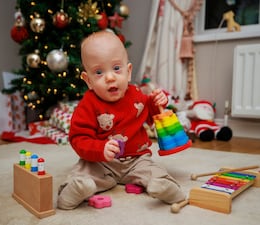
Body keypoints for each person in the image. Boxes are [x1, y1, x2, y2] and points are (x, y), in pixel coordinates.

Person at [57, 31, 186, 210]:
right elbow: (78, 139)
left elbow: (151, 115)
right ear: (88, 81)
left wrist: (158, 103)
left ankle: (163, 186)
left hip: (136, 160)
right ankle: (74, 191)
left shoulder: (136, 95)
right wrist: (100, 149)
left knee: (152, 170)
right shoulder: (88, 105)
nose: (110, 77)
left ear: (128, 71)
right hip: (101, 162)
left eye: (117, 68)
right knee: (84, 172)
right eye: (99, 72)